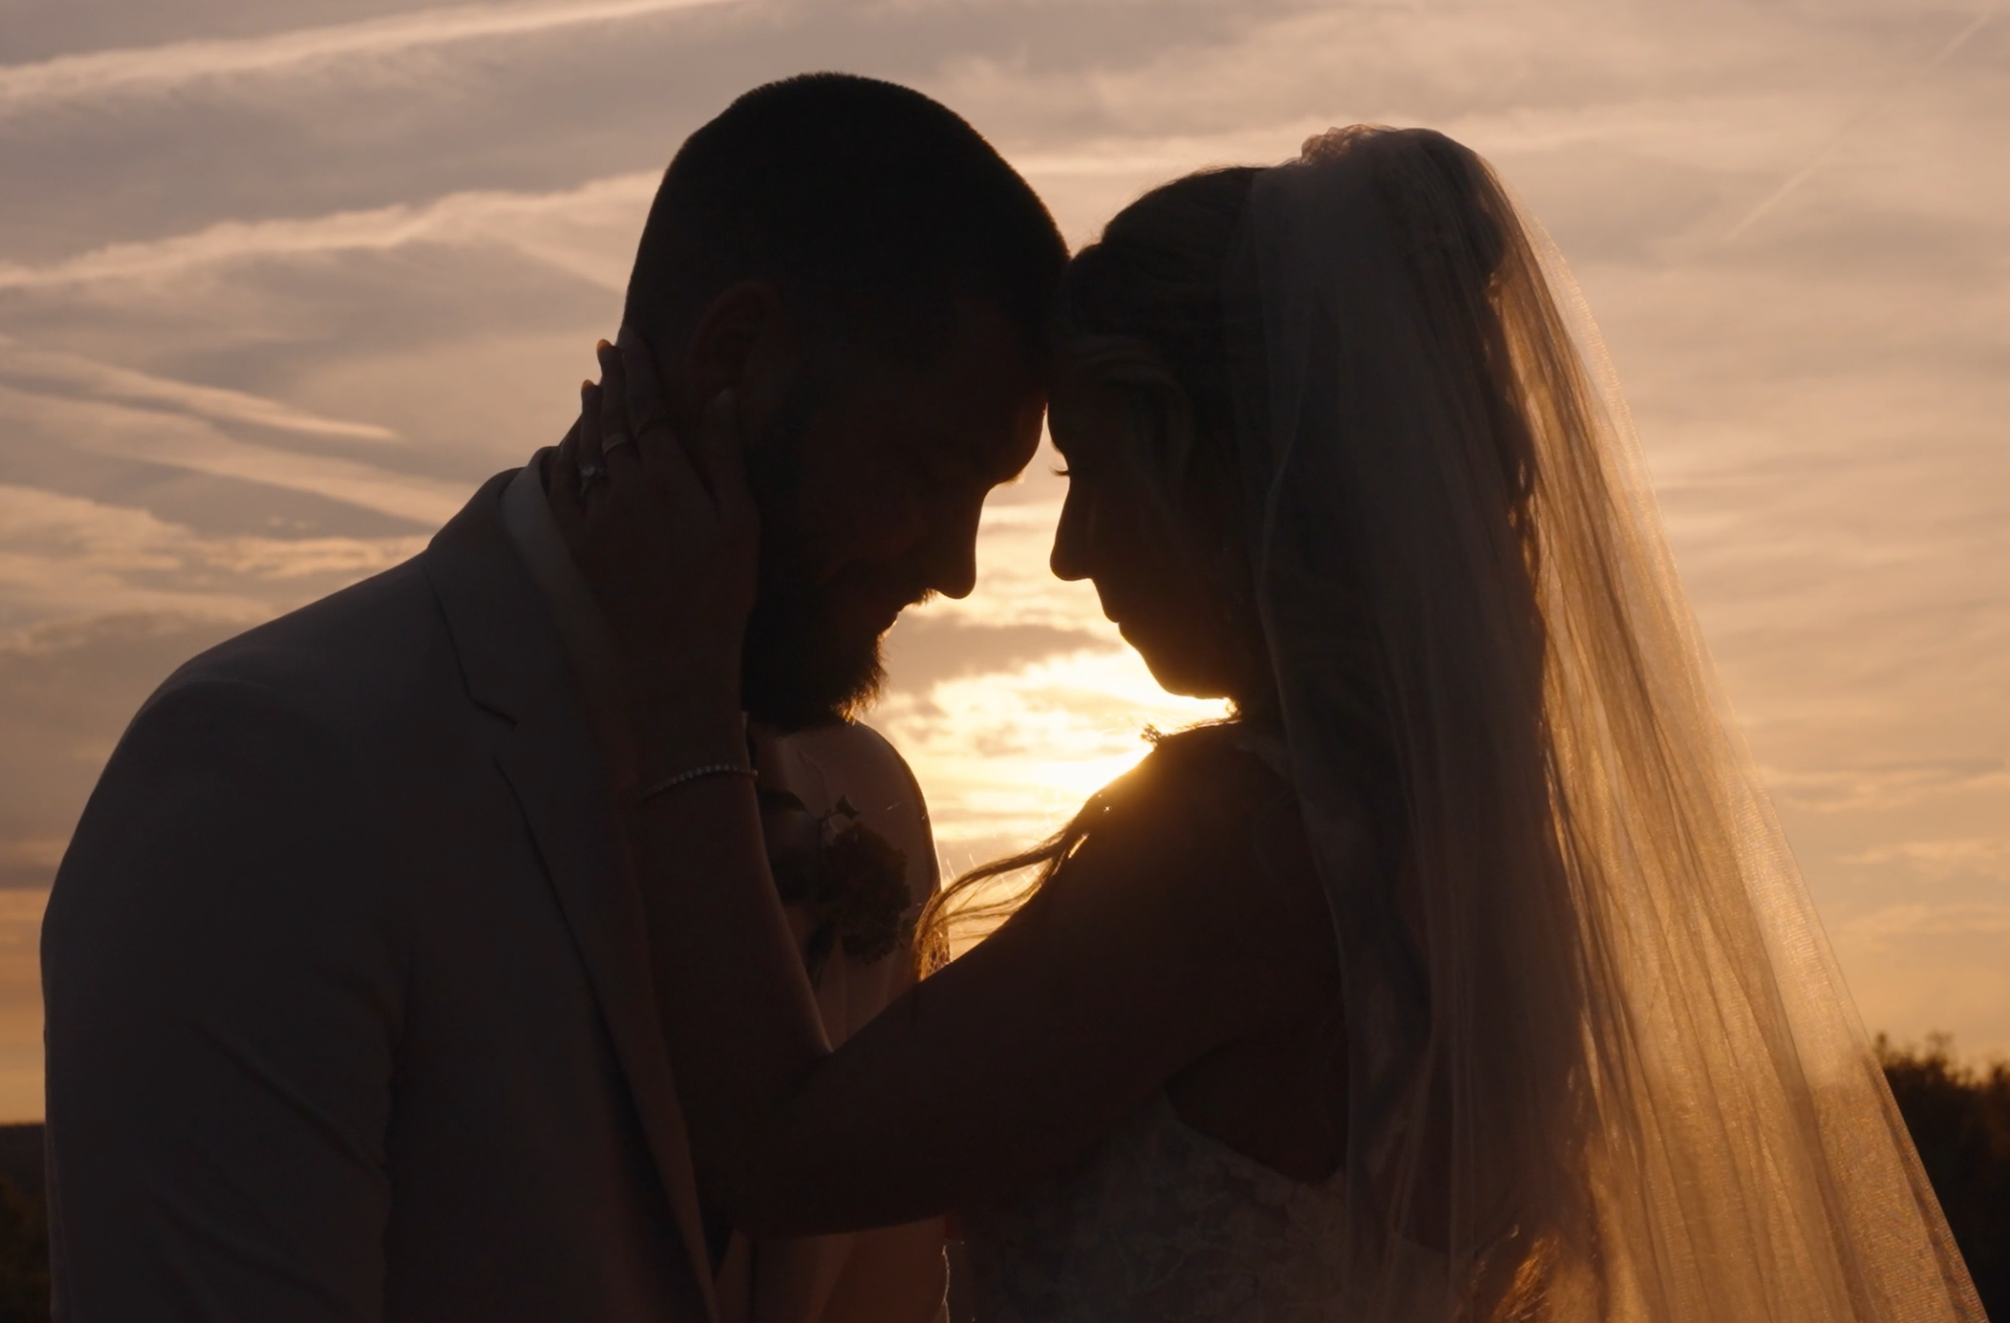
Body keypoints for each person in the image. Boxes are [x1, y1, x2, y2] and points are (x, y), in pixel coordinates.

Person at [564, 126, 1986, 1321]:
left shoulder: (1234, 852)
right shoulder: (1469, 851)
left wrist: (681, 690)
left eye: (1098, 470)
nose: (1065, 551)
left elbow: (786, 1155)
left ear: (1225, 476)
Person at [40, 73, 1066, 1322]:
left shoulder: (869, 805)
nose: (957, 568)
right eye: (929, 467)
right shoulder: (266, 774)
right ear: (734, 358)